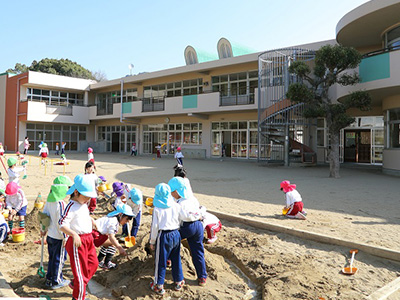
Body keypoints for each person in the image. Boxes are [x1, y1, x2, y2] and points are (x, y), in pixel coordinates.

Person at [59, 174, 98, 300]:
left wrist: (91, 220)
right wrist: (73, 234)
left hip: (88, 238)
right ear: (76, 192)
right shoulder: (70, 206)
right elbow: (62, 224)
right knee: (80, 273)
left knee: (94, 264)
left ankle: (76, 284)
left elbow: (83, 216)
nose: (88, 199)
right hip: (78, 241)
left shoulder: (83, 204)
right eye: (86, 196)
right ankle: (78, 297)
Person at [168, 176, 207, 286]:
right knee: (198, 251)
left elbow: (176, 219)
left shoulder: (179, 204)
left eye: (172, 192)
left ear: (177, 191)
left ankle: (169, 261)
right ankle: (202, 277)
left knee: (172, 243)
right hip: (198, 226)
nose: (171, 194)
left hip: (186, 227)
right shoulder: (192, 198)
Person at [149, 183, 185, 295]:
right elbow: (181, 220)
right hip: (176, 233)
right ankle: (179, 281)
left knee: (161, 261)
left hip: (164, 235)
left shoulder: (157, 209)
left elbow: (155, 226)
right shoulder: (176, 205)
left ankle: (158, 284)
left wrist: (152, 241)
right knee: (176, 258)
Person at [42, 176, 73, 289]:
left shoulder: (49, 201)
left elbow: (44, 216)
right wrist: (65, 237)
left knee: (52, 258)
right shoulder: (61, 205)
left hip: (50, 235)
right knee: (59, 259)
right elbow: (62, 223)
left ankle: (50, 278)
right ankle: (56, 280)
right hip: (59, 237)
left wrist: (43, 229)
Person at [94, 204, 132, 269]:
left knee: (108, 242)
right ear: (120, 215)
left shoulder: (112, 218)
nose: (127, 221)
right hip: (94, 235)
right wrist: (120, 248)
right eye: (127, 219)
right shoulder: (113, 222)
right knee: (112, 243)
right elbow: (111, 237)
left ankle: (99, 260)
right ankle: (107, 263)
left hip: (95, 233)